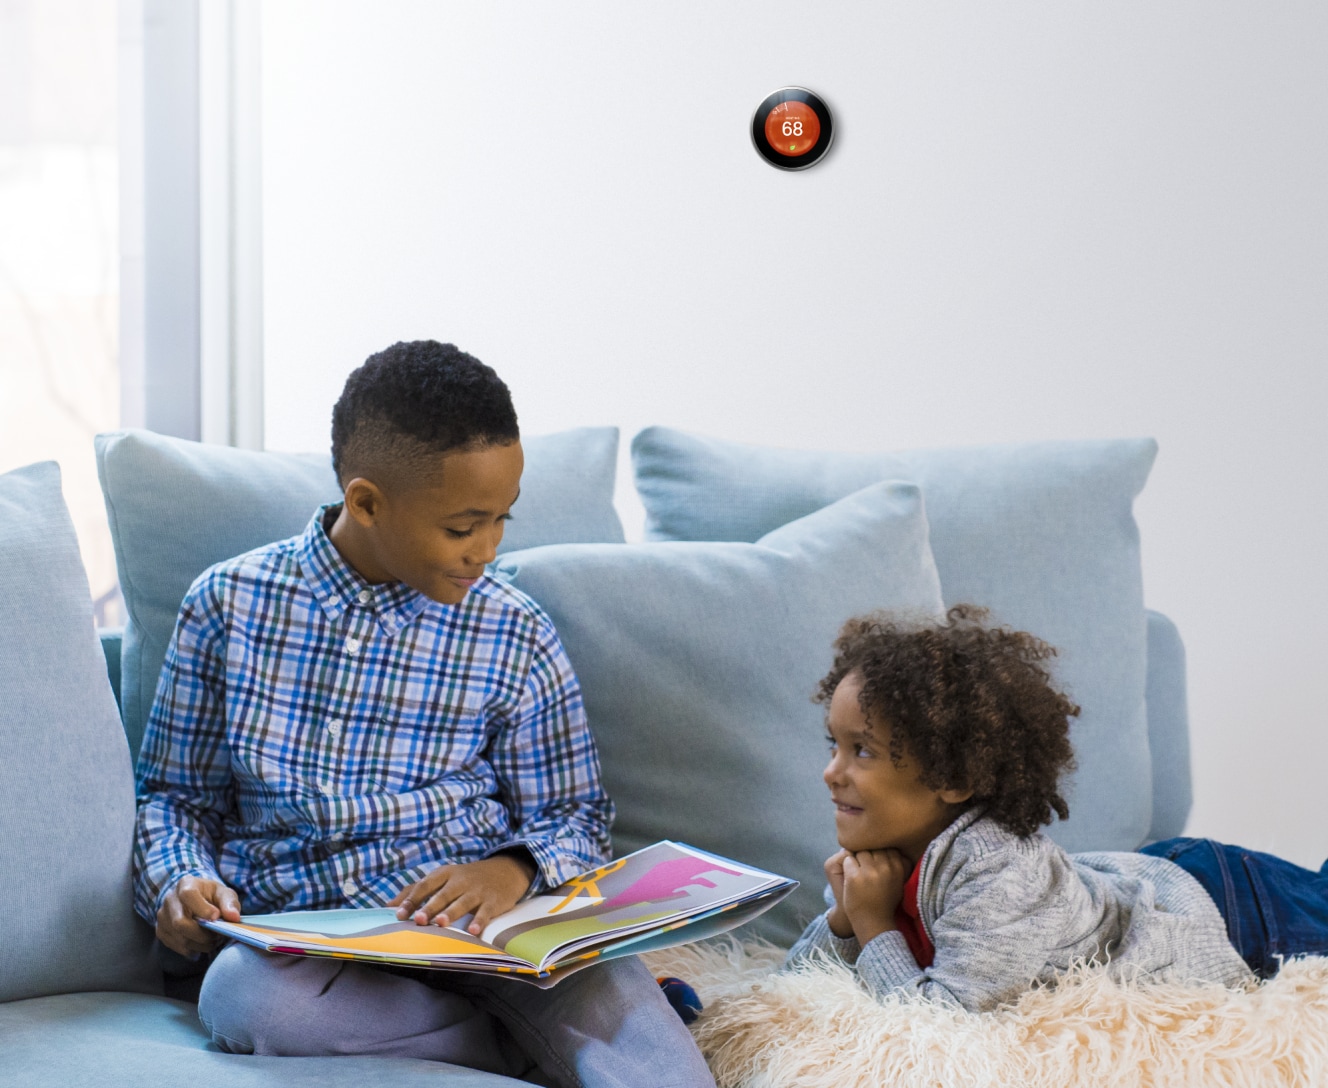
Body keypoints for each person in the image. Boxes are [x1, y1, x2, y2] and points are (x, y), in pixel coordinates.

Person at [133, 340, 716, 1087]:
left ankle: (561, 1025)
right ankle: (514, 1047)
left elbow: (575, 816)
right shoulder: (227, 605)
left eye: (503, 519)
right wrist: (180, 879)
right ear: (367, 503)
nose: (488, 550)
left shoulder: (515, 630)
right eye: (463, 526)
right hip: (318, 951)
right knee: (244, 1000)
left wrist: (511, 869)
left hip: (496, 934)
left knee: (646, 1049)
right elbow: (175, 800)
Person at [786, 605, 1328, 1013]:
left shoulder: (997, 870)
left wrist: (875, 925)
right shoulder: (882, 855)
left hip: (1227, 907)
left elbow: (942, 1022)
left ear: (952, 777)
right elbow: (791, 986)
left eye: (863, 751)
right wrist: (844, 919)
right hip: (1135, 883)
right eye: (832, 745)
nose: (832, 772)